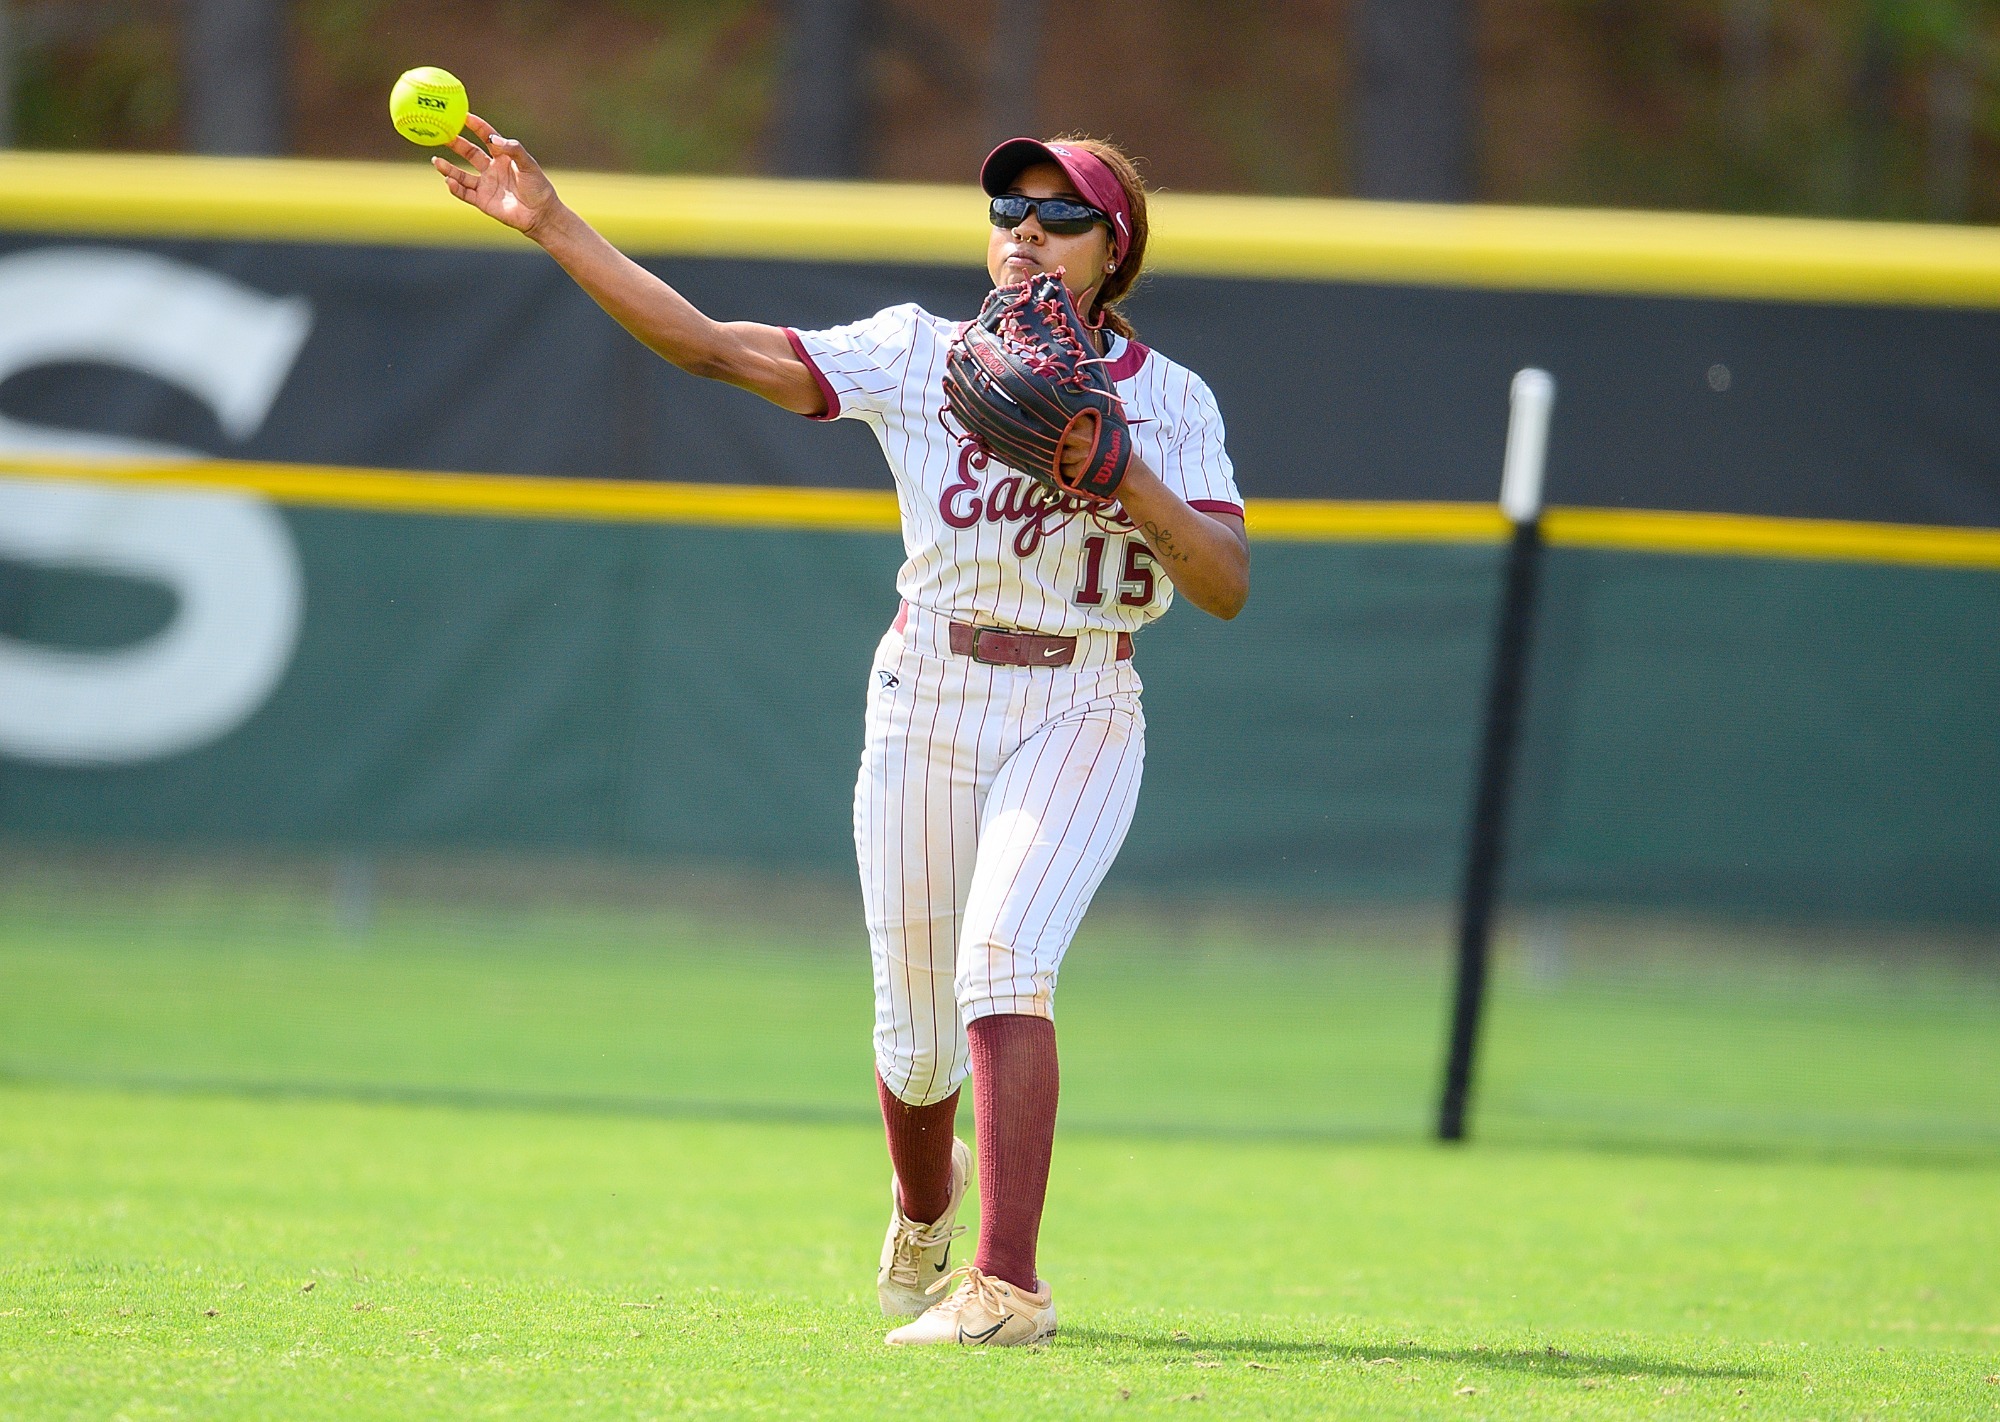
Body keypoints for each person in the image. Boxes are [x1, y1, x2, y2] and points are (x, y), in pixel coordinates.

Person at [435, 119, 1249, 1347]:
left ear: (1112, 245)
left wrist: (1118, 470)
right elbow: (710, 350)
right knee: (915, 1049)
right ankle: (926, 1203)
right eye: (1007, 209)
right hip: (926, 687)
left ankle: (1003, 1290)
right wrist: (551, 222)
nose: (1025, 229)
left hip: (1078, 697)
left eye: (1061, 214)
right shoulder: (919, 355)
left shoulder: (1168, 401)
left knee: (1004, 962)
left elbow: (1226, 584)